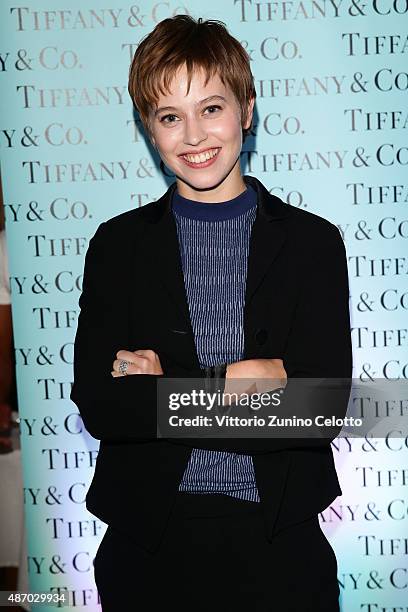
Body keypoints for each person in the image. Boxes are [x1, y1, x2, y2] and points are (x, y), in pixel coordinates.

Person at [70, 15, 352, 612]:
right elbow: (101, 406)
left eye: (212, 108)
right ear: (149, 128)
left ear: (246, 110)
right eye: (170, 116)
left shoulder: (313, 244)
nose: (193, 135)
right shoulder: (116, 247)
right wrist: (241, 387)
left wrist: (162, 390)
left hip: (282, 549)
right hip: (149, 548)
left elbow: (319, 409)